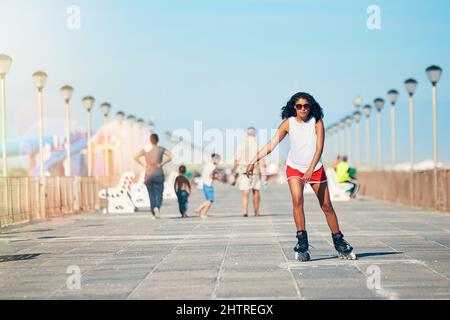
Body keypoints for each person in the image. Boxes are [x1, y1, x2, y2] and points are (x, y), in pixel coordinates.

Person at [246, 92, 356, 262]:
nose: (303, 109)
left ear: (310, 107)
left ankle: (339, 241)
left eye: (306, 106)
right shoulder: (288, 124)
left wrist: (311, 168)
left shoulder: (317, 122)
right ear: (294, 107)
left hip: (315, 168)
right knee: (297, 200)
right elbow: (271, 145)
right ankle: (302, 242)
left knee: (326, 206)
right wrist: (253, 160)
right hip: (295, 168)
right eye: (299, 106)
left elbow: (319, 147)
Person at [134, 133, 173, 219]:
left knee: (151, 194)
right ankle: (157, 208)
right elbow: (171, 156)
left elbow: (135, 157)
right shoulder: (161, 149)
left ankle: (153, 211)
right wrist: (162, 163)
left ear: (150, 140)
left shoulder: (145, 150)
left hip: (148, 174)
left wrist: (144, 164)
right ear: (157, 140)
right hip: (158, 173)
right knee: (159, 193)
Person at [232, 127, 265, 217]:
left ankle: (245, 211)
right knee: (256, 191)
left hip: (244, 171)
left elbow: (236, 160)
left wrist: (234, 172)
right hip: (255, 171)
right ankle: (256, 212)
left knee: (245, 192)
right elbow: (262, 160)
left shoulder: (241, 145)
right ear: (254, 133)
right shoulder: (258, 144)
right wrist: (264, 173)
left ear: (247, 133)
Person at [195, 153, 221, 219]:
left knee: (210, 200)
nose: (219, 161)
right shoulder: (212, 166)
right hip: (208, 184)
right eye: (218, 160)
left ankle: (203, 213)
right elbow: (211, 175)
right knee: (210, 200)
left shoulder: (208, 164)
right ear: (214, 159)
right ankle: (200, 210)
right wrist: (217, 178)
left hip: (206, 184)